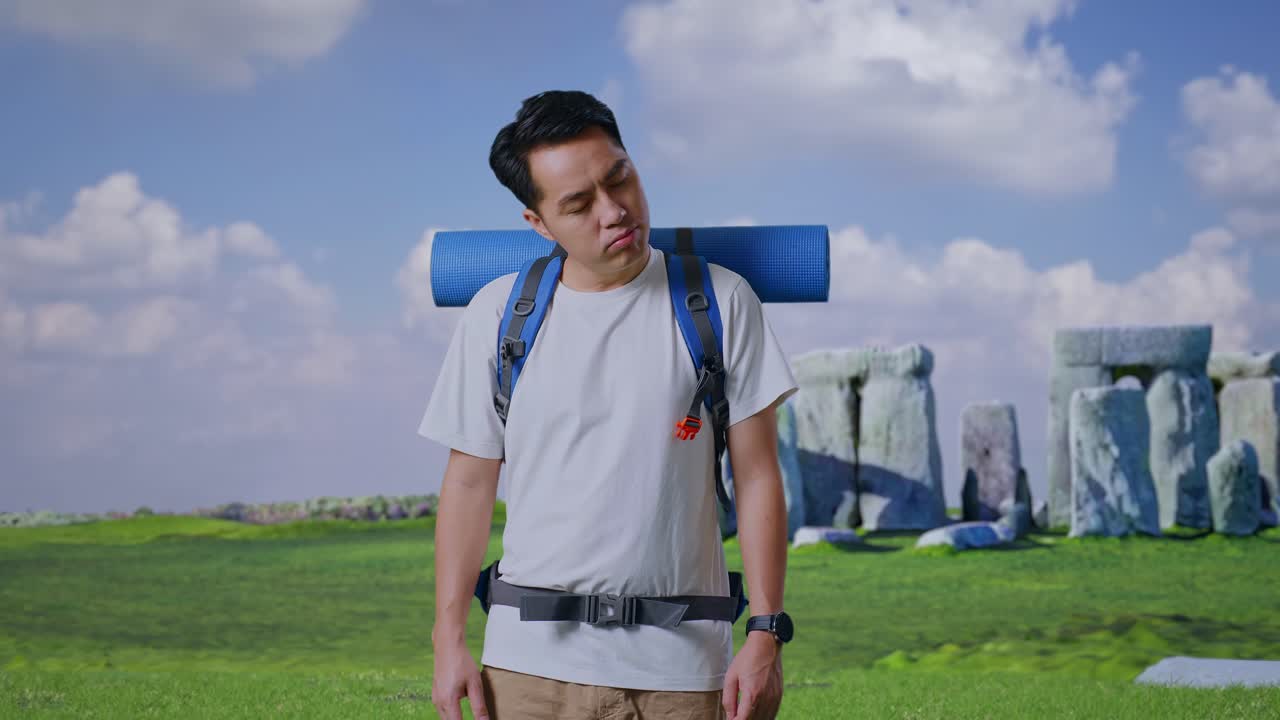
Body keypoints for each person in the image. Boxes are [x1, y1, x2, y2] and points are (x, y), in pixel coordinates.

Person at [422, 90, 798, 720]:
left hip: (686, 672)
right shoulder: (498, 316)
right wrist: (447, 640)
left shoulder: (722, 302)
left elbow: (758, 475)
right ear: (538, 223)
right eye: (578, 204)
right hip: (526, 670)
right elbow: (467, 484)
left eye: (619, 177)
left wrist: (766, 632)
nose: (615, 210)